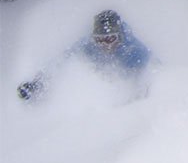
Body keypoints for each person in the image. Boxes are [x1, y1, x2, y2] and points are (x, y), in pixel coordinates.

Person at [16, 9, 152, 102]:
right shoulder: (88, 46)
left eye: (110, 39)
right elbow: (61, 62)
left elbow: (152, 70)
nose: (105, 45)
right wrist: (37, 84)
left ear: (120, 37)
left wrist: (141, 94)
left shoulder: (133, 50)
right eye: (99, 39)